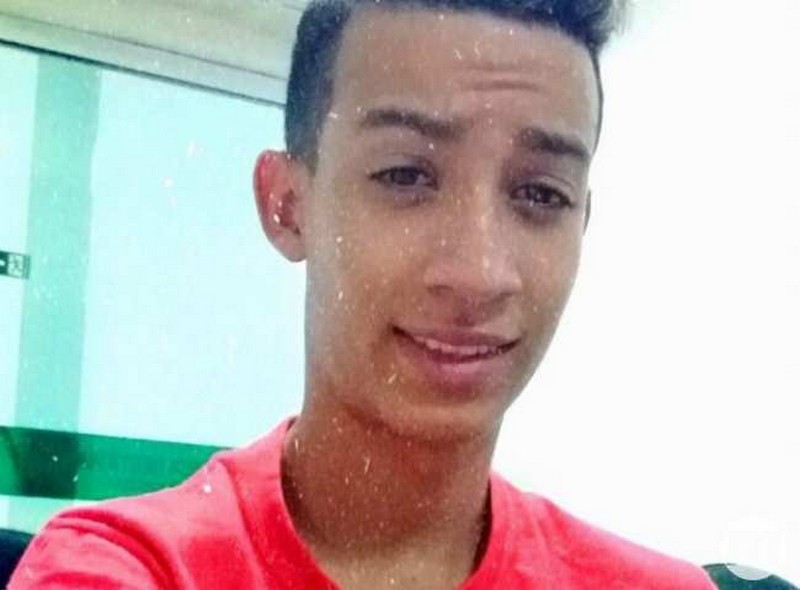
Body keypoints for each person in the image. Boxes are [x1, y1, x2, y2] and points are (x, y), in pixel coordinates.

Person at [10, 0, 717, 588]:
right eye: (406, 175)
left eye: (540, 193)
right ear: (288, 205)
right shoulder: (126, 568)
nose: (479, 273)